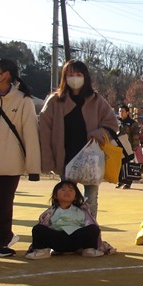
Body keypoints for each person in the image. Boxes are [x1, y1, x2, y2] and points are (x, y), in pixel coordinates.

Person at [39, 60, 117, 220]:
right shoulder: (55, 101)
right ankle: (67, 228)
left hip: (92, 157)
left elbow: (112, 123)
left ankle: (90, 229)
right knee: (66, 198)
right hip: (66, 157)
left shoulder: (96, 100)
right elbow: (44, 130)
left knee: (91, 198)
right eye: (70, 75)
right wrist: (48, 159)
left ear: (85, 76)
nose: (74, 78)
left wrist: (98, 133)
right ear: (64, 77)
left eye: (78, 74)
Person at [0, 59, 42, 257]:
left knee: (3, 205)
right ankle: (5, 236)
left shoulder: (23, 100)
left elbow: (30, 135)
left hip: (11, 164)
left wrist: (33, 168)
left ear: (7, 75)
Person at [25, 180, 112, 259]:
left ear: (75, 196)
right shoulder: (50, 212)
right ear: (55, 195)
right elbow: (44, 224)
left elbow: (89, 224)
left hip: (76, 239)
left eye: (71, 190)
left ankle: (89, 249)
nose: (67, 192)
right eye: (63, 190)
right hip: (56, 239)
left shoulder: (83, 210)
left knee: (93, 228)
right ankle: (42, 251)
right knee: (38, 229)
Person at [116, 104, 141, 189]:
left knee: (128, 165)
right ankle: (120, 181)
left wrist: (134, 148)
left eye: (123, 111)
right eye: (120, 111)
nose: (121, 113)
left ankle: (128, 182)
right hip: (119, 147)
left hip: (128, 147)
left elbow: (135, 137)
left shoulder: (132, 123)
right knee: (119, 165)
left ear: (127, 112)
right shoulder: (118, 122)